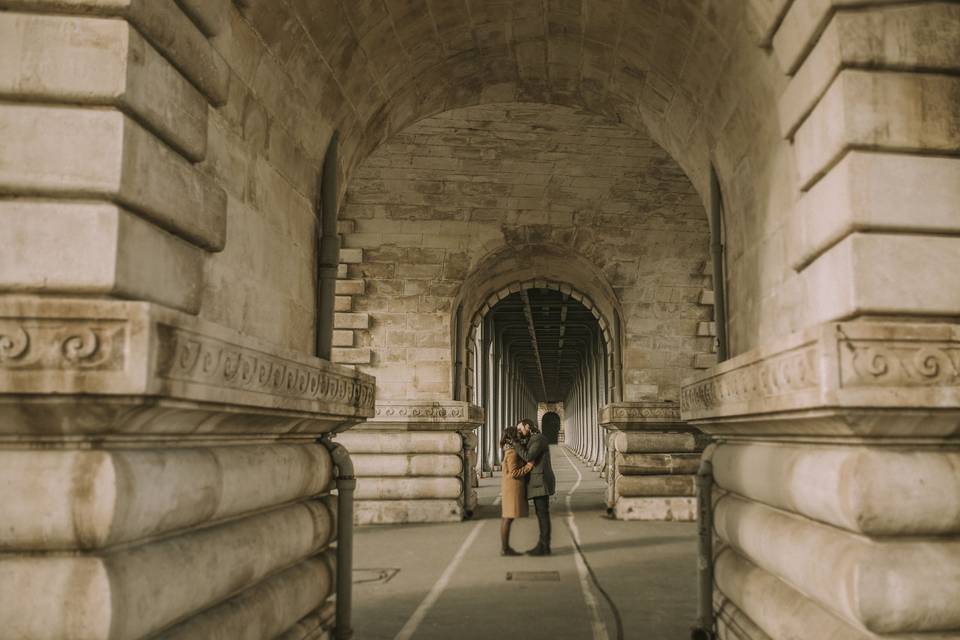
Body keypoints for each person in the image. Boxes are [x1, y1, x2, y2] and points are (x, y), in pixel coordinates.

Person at [514, 417, 556, 556]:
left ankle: (544, 546)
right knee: (541, 514)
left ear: (528, 426)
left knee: (543, 514)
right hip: (538, 481)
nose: (519, 431)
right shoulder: (535, 439)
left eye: (521, 428)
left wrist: (515, 443)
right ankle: (542, 544)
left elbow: (528, 455)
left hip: (541, 482)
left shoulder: (539, 439)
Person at [499, 426, 531, 556]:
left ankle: (505, 548)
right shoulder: (511, 452)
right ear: (512, 436)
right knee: (508, 518)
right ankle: (505, 549)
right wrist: (528, 466)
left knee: (507, 518)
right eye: (517, 434)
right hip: (513, 488)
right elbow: (514, 472)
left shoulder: (507, 449)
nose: (519, 435)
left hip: (509, 487)